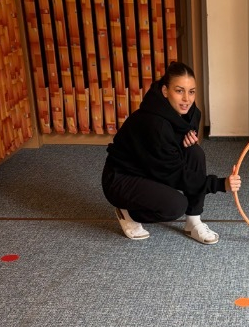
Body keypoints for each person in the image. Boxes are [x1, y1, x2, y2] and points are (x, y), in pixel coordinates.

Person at [102, 61, 241, 243]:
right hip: (122, 178)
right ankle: (128, 211)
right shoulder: (155, 124)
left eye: (191, 91)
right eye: (179, 90)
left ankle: (193, 221)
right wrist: (220, 184)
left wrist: (183, 145)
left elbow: (174, 152)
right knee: (175, 207)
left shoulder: (192, 113)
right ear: (165, 91)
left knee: (195, 153)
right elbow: (176, 174)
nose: (186, 99)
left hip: (151, 167)